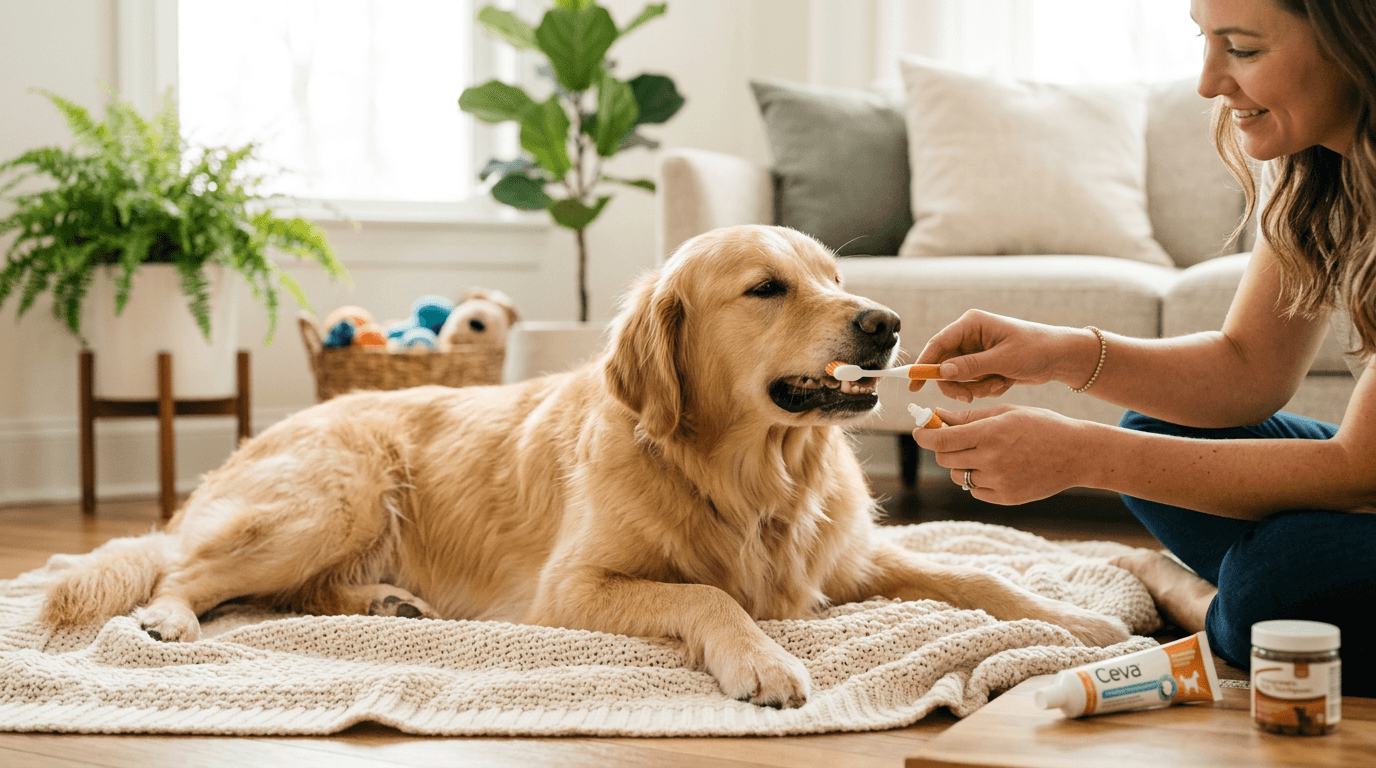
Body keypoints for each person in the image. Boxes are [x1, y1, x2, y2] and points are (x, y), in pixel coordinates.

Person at [909, 0, 1374, 696]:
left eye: (1242, 49)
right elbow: (1247, 371)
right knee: (1158, 427)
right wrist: (1059, 353)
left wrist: (1080, 455)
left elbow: (1355, 469)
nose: (1208, 82)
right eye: (1204, 42)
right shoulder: (1317, 165)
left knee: (1280, 585)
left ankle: (1200, 598)